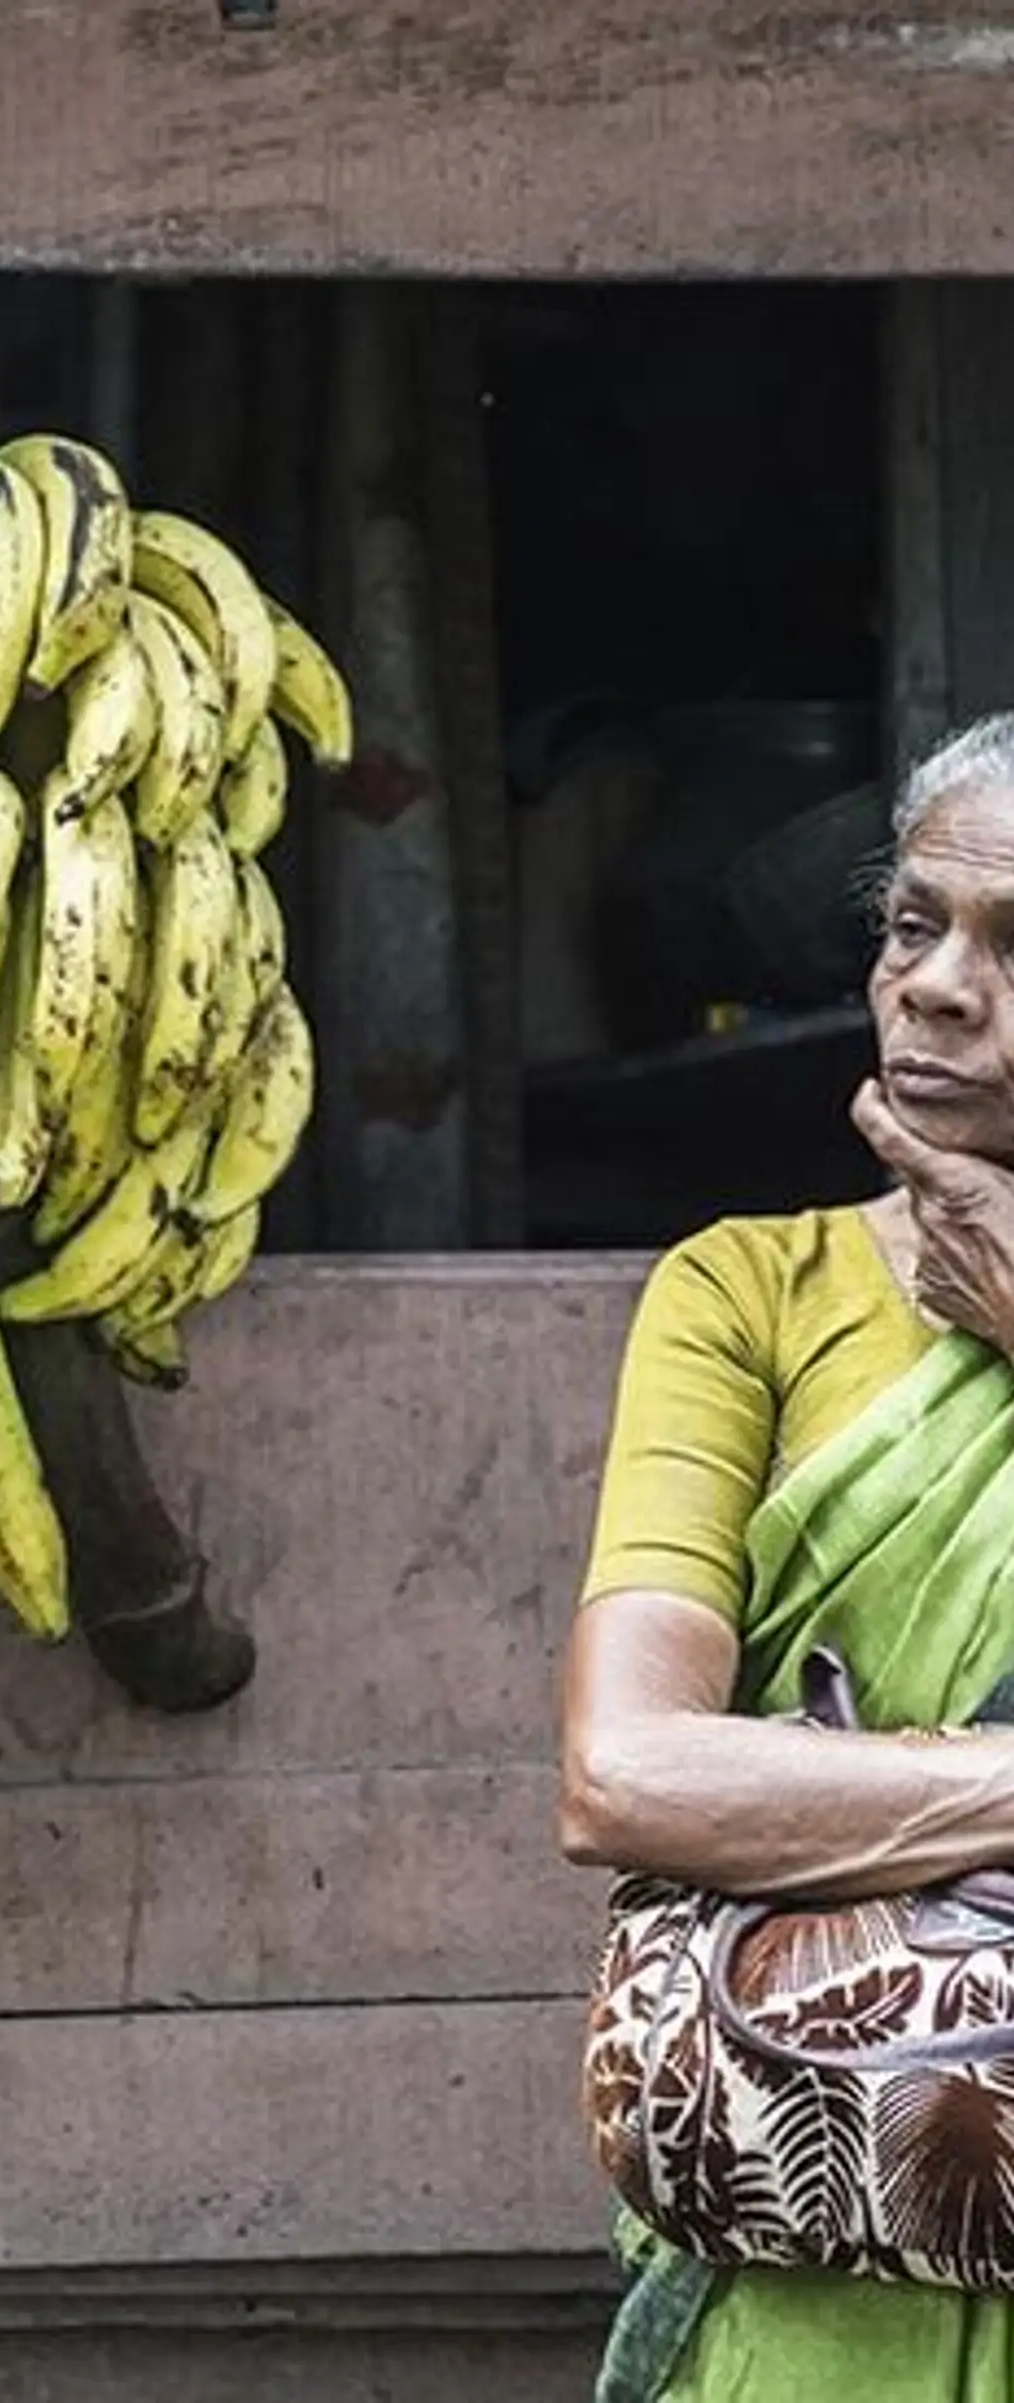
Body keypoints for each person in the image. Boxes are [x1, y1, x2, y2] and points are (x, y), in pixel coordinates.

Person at [562, 712, 1014, 2402]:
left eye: (1013, 948)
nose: (940, 986)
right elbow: (625, 1771)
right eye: (915, 924)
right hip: (813, 2294)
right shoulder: (745, 1293)